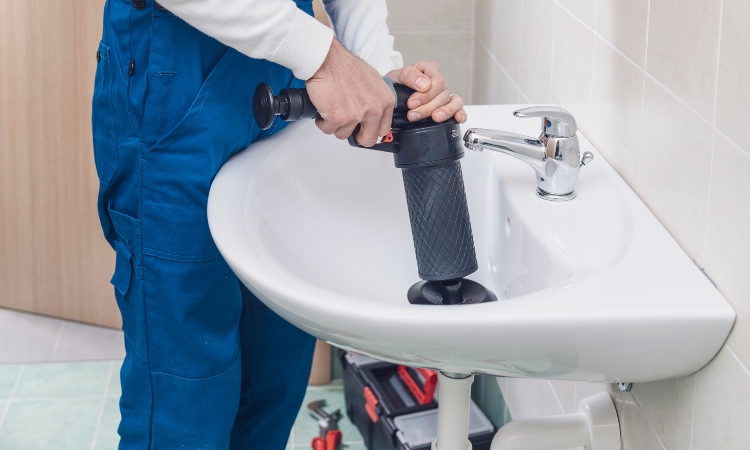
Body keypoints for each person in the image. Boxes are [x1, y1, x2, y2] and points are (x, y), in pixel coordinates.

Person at [91, 0, 466, 448]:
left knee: (273, 380)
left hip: (282, 80)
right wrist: (325, 58)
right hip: (175, 88)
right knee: (185, 398)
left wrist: (378, 80)